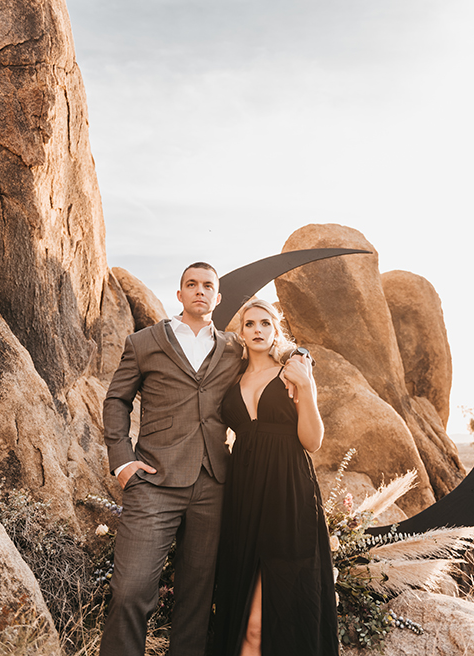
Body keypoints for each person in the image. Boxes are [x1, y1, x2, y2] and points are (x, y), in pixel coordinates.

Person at [99, 262, 243, 656]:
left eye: (207, 285)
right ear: (179, 294)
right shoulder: (144, 342)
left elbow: (270, 358)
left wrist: (297, 355)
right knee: (130, 591)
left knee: (196, 599)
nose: (200, 291)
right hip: (153, 482)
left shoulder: (234, 348)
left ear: (218, 296)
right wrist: (123, 461)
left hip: (213, 482)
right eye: (191, 284)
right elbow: (116, 401)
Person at [213, 298, 340, 656]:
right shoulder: (231, 378)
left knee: (270, 612)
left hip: (288, 490)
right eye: (250, 324)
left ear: (275, 330)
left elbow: (312, 441)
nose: (257, 330)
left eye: (265, 323)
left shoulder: (292, 372)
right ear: (241, 332)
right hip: (243, 492)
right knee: (243, 622)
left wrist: (307, 388)